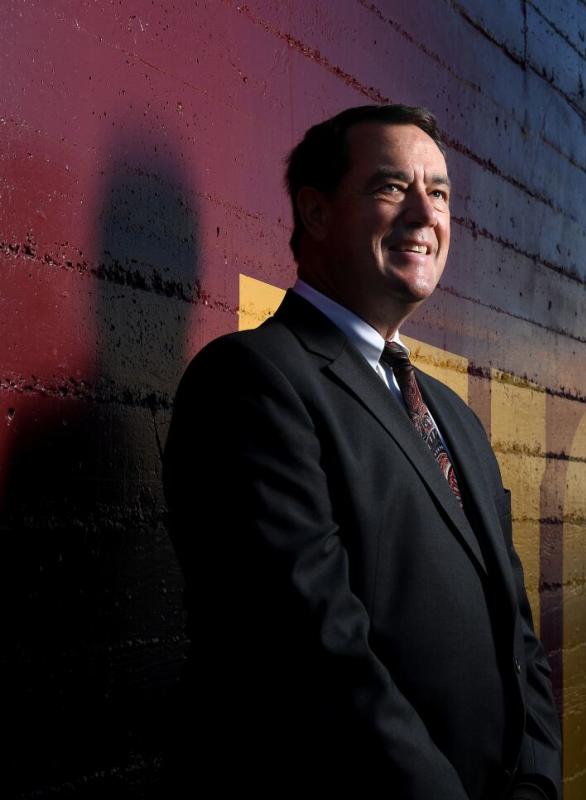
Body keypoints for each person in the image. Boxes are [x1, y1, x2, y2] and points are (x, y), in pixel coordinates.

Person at [162, 105, 561, 799]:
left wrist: (538, 780)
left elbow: (517, 635)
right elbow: (311, 649)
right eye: (389, 187)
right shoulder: (254, 380)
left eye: (438, 193)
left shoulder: (456, 420)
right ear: (315, 212)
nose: (424, 214)